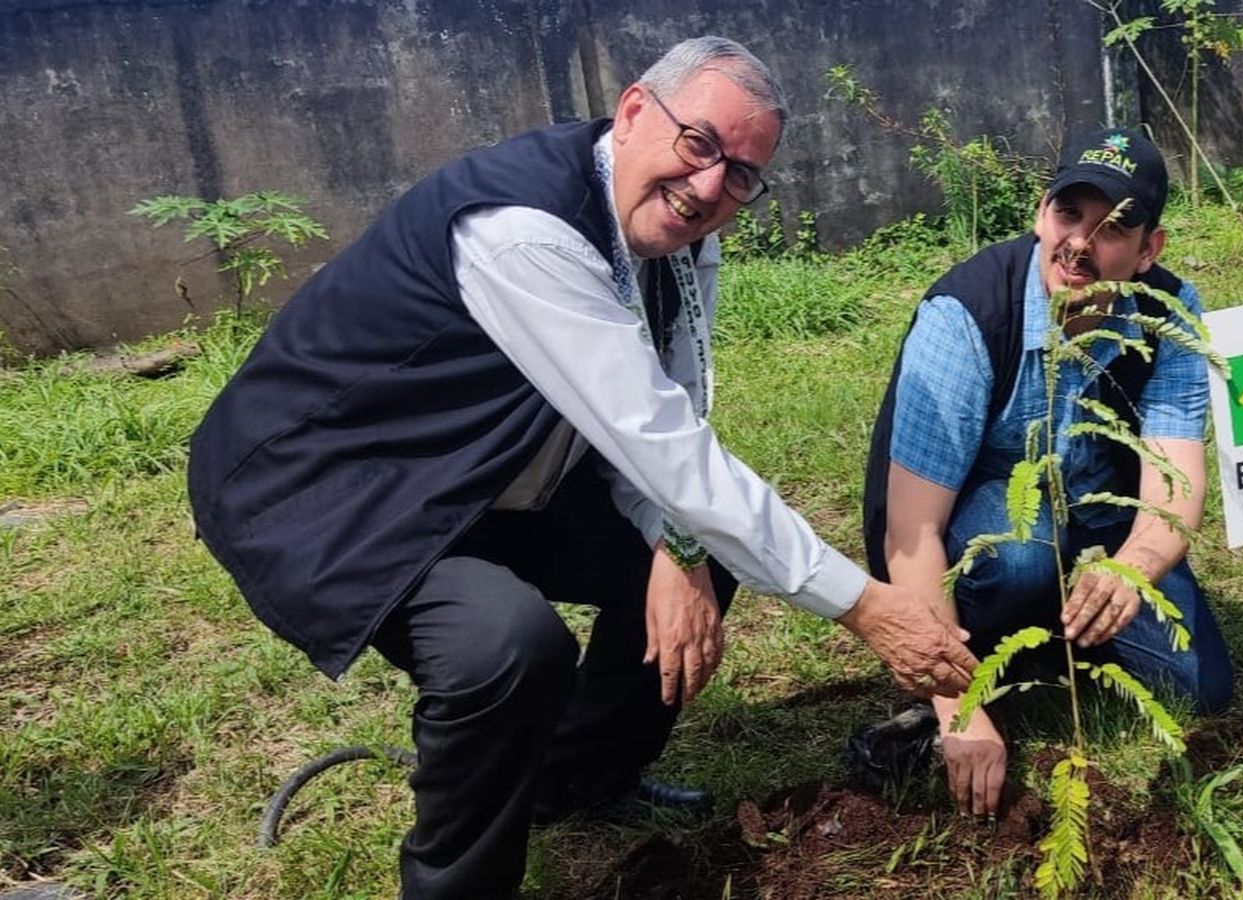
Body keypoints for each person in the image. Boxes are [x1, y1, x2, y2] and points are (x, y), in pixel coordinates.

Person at [187, 36, 976, 899]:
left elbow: (669, 410)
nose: (711, 187)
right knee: (505, 649)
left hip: (488, 466)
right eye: (699, 143)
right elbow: (652, 435)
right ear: (636, 111)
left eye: (741, 174)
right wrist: (864, 605)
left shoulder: (677, 237)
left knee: (699, 551)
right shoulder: (523, 229)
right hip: (339, 484)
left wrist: (672, 543)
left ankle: (575, 778)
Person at [862, 127, 1233, 818]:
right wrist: (956, 703)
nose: (1080, 245)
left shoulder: (1169, 316)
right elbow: (910, 530)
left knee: (1200, 685)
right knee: (1021, 551)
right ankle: (985, 652)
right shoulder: (968, 315)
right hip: (971, 527)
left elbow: (1175, 490)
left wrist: (1133, 569)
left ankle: (1062, 634)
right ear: (1041, 214)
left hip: (1102, 521)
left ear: (1150, 249)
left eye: (1114, 229)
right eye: (1069, 215)